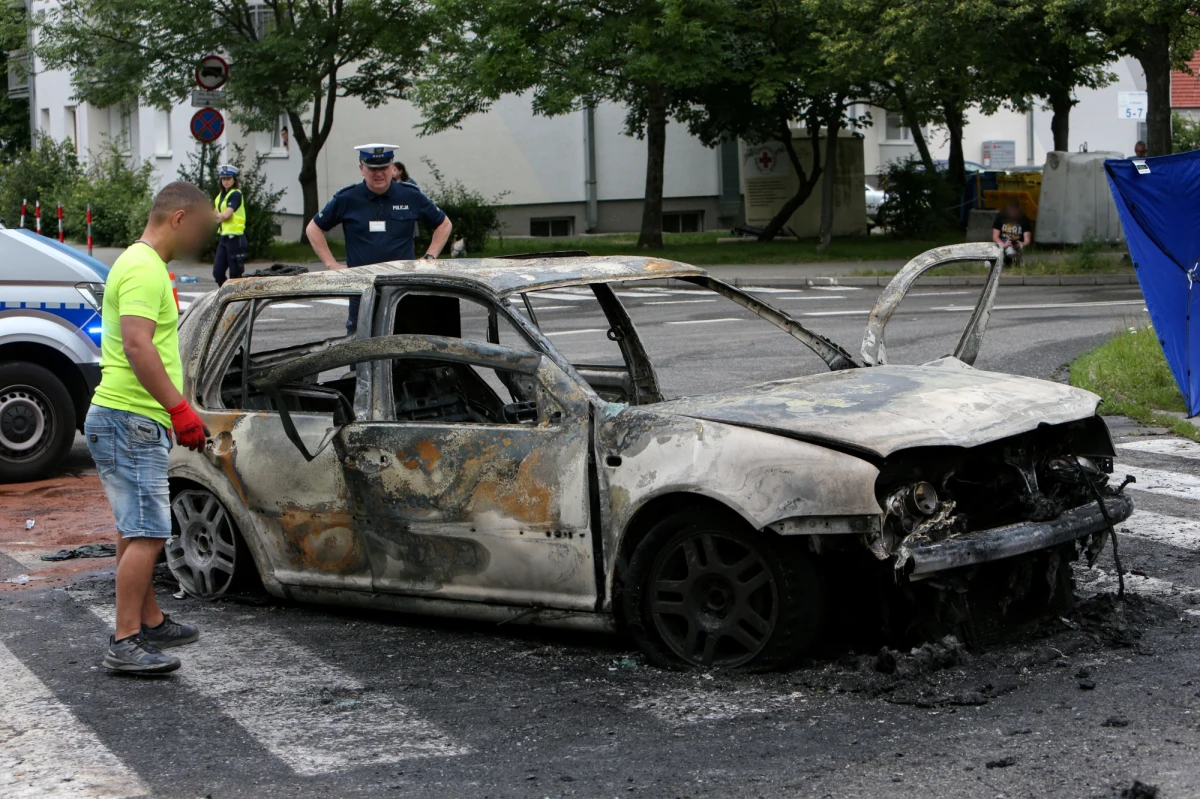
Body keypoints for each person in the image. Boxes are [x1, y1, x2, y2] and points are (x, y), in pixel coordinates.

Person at [85, 181, 213, 675]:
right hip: (129, 418)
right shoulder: (142, 269)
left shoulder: (142, 265)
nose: (198, 243)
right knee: (150, 531)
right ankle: (125, 641)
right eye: (198, 228)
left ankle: (149, 619)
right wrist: (179, 408)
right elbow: (138, 346)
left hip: (130, 418)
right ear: (178, 219)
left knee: (134, 526)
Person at [306, 143, 453, 333]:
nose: (378, 174)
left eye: (383, 167)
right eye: (372, 168)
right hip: (363, 291)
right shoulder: (347, 199)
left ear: (392, 168)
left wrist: (429, 257)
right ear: (361, 169)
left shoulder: (409, 195)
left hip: (402, 290)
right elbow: (314, 228)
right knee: (361, 349)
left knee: (404, 346)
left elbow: (444, 223)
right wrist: (331, 265)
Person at [212, 164, 247, 286]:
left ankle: (236, 300)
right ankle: (228, 294)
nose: (225, 181)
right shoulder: (220, 197)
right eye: (223, 179)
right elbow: (215, 213)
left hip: (235, 239)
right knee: (218, 272)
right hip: (224, 238)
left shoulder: (236, 194)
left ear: (234, 180)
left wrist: (214, 218)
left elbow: (226, 214)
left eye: (228, 178)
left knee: (235, 274)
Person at [992, 199, 1033, 265]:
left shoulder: (1024, 219)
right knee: (988, 265)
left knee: (1011, 251)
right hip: (1002, 243)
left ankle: (1014, 261)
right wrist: (1004, 245)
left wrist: (1020, 244)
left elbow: (1027, 240)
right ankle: (1006, 261)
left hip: (1017, 245)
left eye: (1014, 211)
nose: (1012, 213)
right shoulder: (1000, 217)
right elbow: (995, 236)